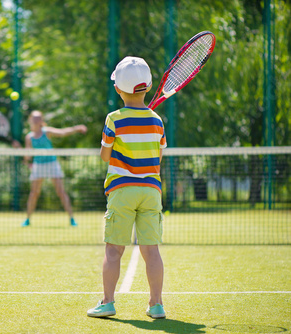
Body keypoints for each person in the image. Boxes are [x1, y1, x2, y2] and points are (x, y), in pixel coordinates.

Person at [87, 56, 167, 319]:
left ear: (117, 88)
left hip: (122, 190)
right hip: (151, 191)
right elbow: (159, 157)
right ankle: (156, 305)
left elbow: (104, 156)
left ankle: (107, 302)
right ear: (149, 86)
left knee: (113, 250)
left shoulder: (114, 119)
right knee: (151, 251)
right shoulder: (157, 121)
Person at [20, 110, 87, 227]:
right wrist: (23, 156)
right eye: (34, 118)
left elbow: (62, 132)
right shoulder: (29, 137)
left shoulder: (47, 131)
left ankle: (71, 219)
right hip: (38, 166)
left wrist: (76, 128)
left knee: (61, 192)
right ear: (30, 120)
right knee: (34, 193)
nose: (36, 120)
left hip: (52, 164)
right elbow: (28, 156)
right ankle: (27, 219)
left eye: (38, 118)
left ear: (41, 120)